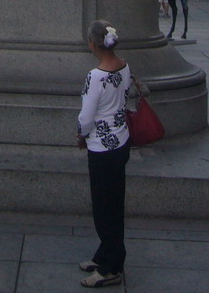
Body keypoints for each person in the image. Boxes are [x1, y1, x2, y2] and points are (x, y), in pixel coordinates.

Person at [77, 20, 132, 288]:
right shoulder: (124, 66)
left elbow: (87, 116)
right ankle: (105, 254)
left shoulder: (96, 76)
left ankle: (111, 267)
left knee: (104, 207)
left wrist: (80, 135)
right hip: (121, 141)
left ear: (92, 44)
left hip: (101, 147)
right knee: (114, 202)